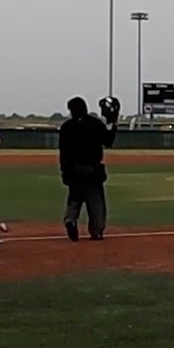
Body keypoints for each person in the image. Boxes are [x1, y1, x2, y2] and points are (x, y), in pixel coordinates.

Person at [58, 95, 119, 241]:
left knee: (75, 198)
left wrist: (64, 171)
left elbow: (63, 152)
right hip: (92, 169)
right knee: (96, 202)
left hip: (74, 169)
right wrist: (113, 123)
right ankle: (96, 230)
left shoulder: (67, 127)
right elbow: (108, 141)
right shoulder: (95, 124)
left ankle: (70, 219)